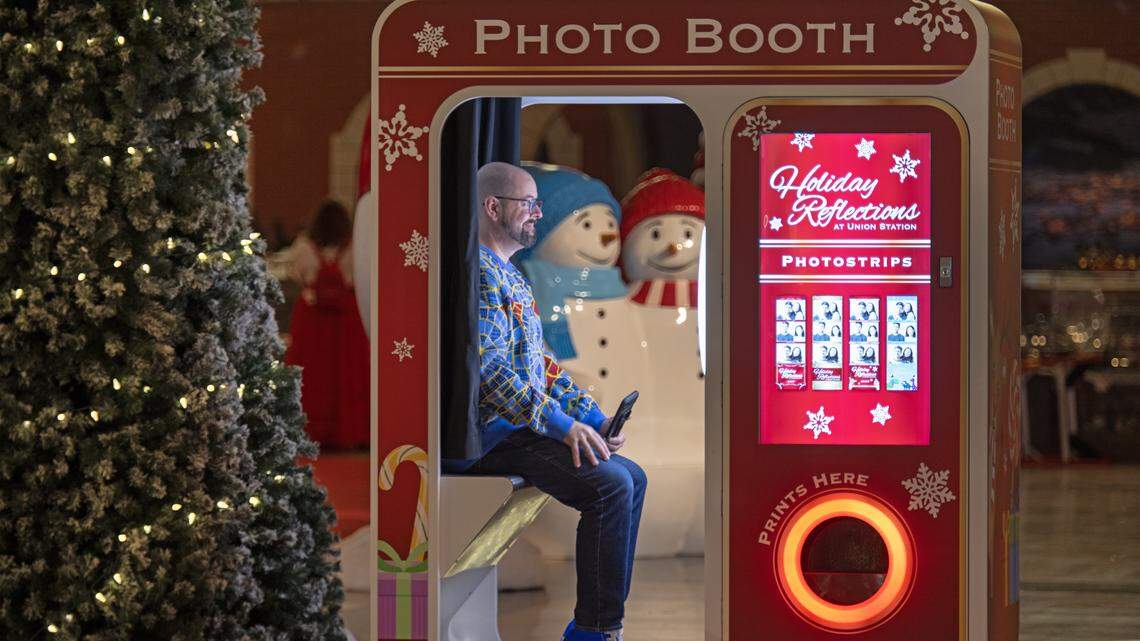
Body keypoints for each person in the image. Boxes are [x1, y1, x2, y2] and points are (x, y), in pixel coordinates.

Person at [460, 162, 646, 641]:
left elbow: (540, 368)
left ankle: (603, 625)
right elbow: (492, 375)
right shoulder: (481, 275)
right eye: (529, 204)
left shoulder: (512, 275)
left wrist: (592, 418)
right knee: (610, 487)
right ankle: (595, 630)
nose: (537, 214)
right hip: (497, 435)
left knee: (632, 476)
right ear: (493, 206)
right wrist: (563, 426)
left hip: (526, 429)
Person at [284, 199, 369, 449]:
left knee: (312, 374)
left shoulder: (302, 248)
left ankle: (311, 430)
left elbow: (294, 274)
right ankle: (350, 432)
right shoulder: (355, 248)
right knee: (348, 372)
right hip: (346, 319)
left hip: (312, 318)